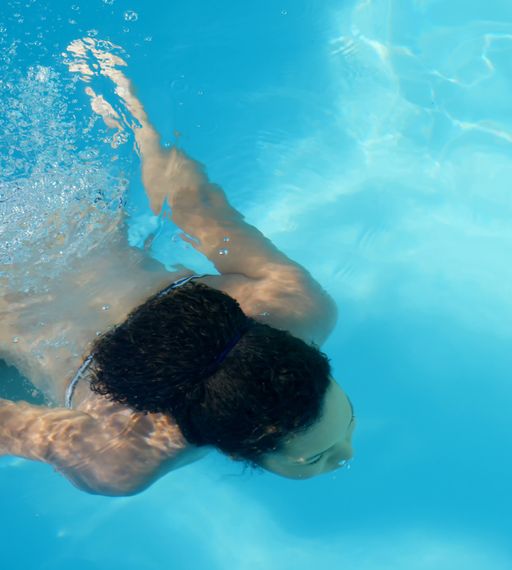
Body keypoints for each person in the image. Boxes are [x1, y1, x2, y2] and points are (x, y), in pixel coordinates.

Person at [0, 39, 354, 496]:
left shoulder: (292, 303)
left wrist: (142, 125)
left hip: (58, 218)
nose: (347, 454)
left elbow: (196, 205)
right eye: (315, 457)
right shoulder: (119, 456)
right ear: (229, 451)